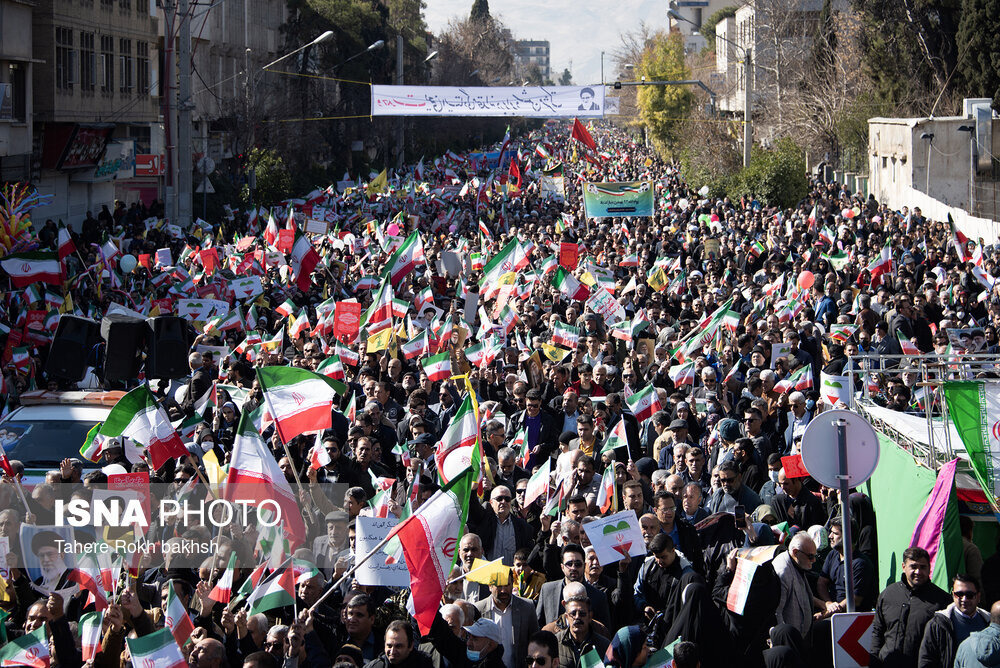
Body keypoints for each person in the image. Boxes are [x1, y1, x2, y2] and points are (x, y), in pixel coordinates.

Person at [871, 547, 951, 668]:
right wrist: (874, 660)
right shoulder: (887, 595)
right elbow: (877, 631)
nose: (918, 572)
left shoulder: (942, 601)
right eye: (913, 567)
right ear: (903, 567)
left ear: (929, 568)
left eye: (923, 567)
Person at [918, 574, 990, 668]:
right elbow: (926, 660)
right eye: (959, 594)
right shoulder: (938, 624)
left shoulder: (989, 623)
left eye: (969, 595)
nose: (964, 599)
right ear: (953, 594)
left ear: (978, 596)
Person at [476, 572, 539, 668]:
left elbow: (535, 642)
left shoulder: (527, 608)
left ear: (512, 583)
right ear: (490, 586)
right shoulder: (478, 609)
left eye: (507, 585)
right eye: (499, 586)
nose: (503, 590)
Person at [772, 532, 821, 638]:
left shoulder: (797, 563)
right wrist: (785, 640)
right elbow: (777, 612)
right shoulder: (783, 571)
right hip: (790, 640)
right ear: (795, 552)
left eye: (815, 556)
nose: (814, 560)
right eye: (810, 556)